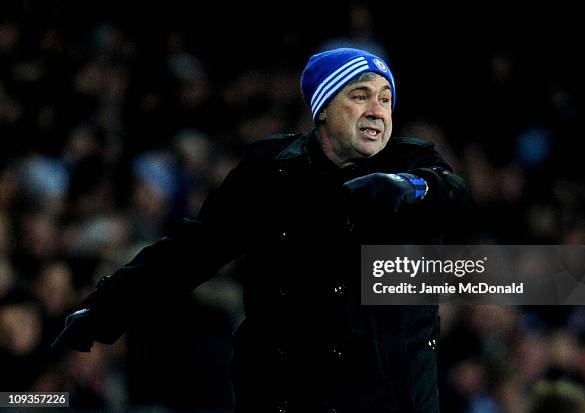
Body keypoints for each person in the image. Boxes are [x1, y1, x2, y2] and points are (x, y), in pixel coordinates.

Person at [53, 47, 468, 413]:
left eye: (385, 98)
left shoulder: (412, 160)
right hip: (284, 394)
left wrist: (406, 188)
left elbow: (451, 194)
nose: (377, 110)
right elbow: (193, 249)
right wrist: (108, 307)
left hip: (386, 397)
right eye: (360, 96)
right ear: (322, 107)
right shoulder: (271, 170)